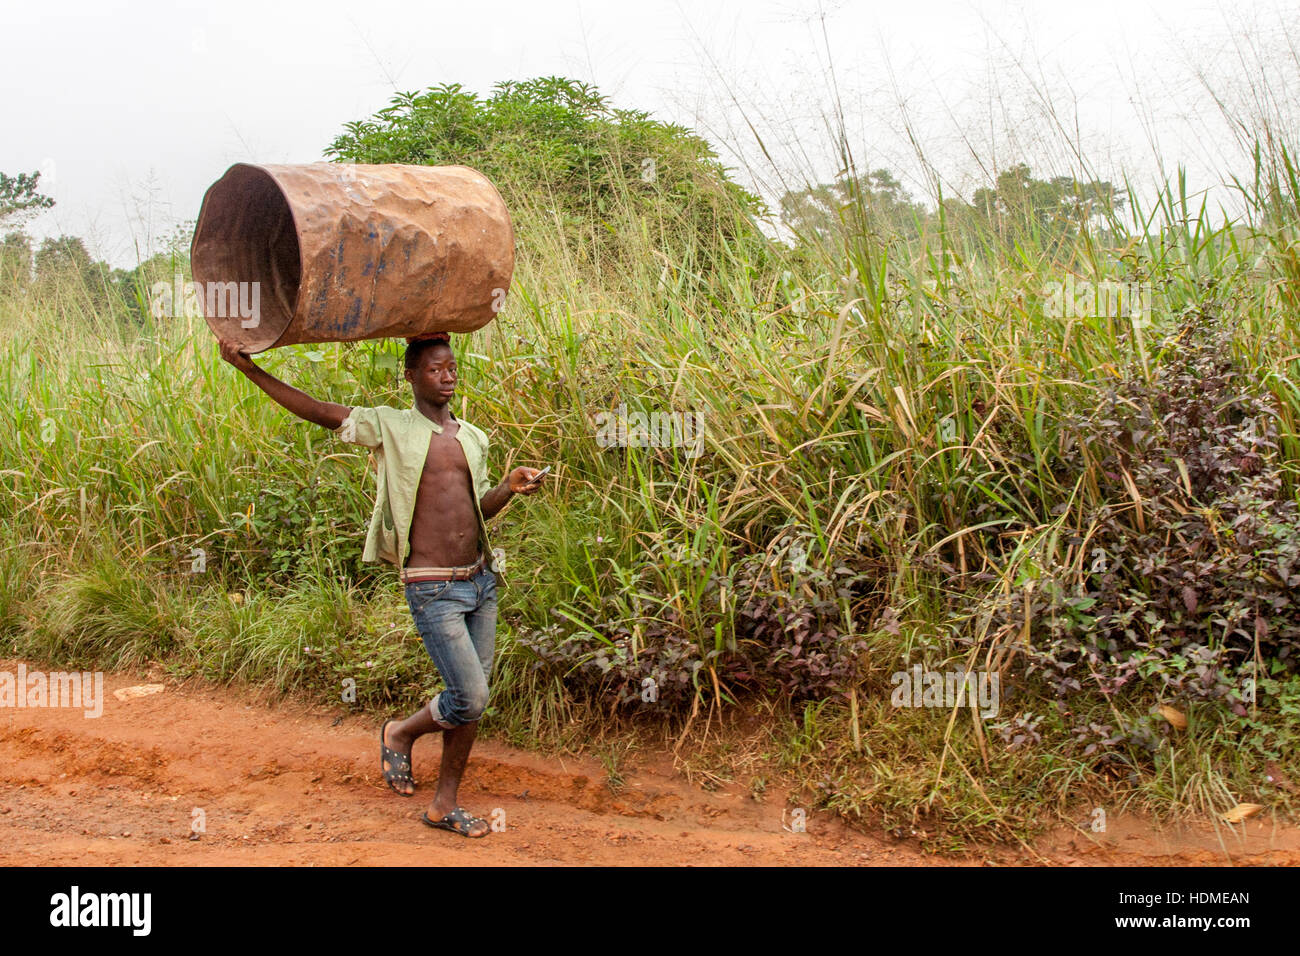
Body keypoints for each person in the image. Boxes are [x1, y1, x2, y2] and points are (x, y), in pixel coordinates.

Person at [218, 332, 546, 838]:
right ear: (411, 376)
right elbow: (319, 411)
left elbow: (477, 509)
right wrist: (250, 370)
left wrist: (508, 486)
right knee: (471, 697)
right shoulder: (389, 426)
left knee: (471, 700)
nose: (448, 375)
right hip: (431, 585)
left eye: (452, 367)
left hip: (480, 583)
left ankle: (443, 805)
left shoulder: (472, 437)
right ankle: (400, 732)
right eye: (435, 368)